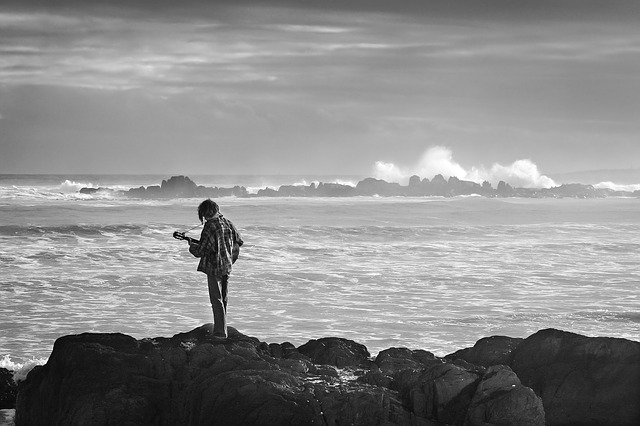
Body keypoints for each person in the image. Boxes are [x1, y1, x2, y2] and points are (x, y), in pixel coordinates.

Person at [188, 199, 243, 340]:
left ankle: (220, 333)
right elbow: (238, 241)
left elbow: (201, 251)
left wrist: (191, 246)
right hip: (228, 265)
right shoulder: (228, 223)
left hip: (214, 268)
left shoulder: (209, 227)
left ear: (205, 213)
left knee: (216, 299)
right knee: (223, 298)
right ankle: (222, 328)